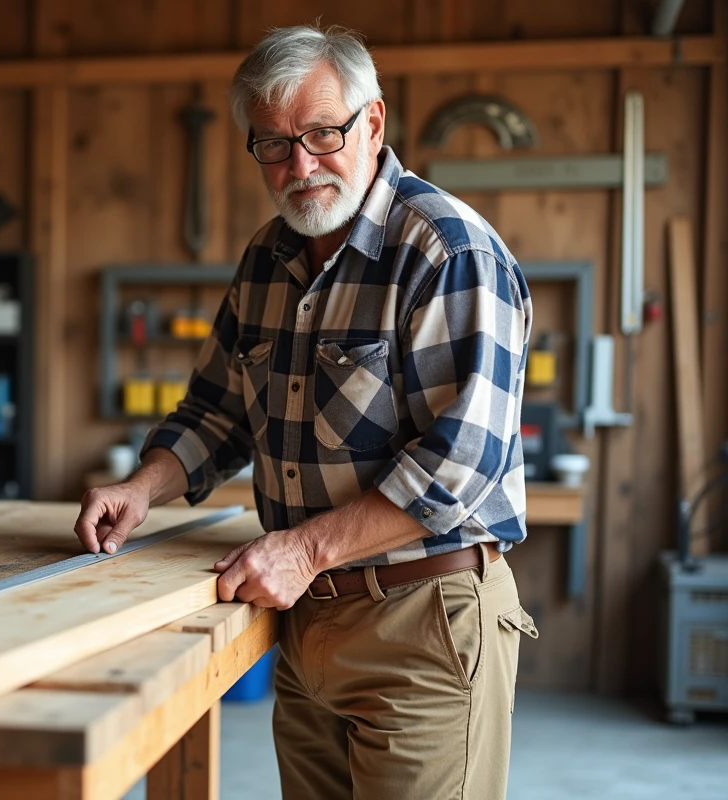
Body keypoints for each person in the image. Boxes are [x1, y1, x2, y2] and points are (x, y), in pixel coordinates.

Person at [73, 22, 540, 800]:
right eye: (273, 144)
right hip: (307, 624)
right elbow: (216, 410)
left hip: (422, 621)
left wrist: (304, 551)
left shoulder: (447, 252)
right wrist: (143, 487)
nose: (301, 165)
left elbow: (459, 464)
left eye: (323, 134)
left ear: (375, 122)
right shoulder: (268, 258)